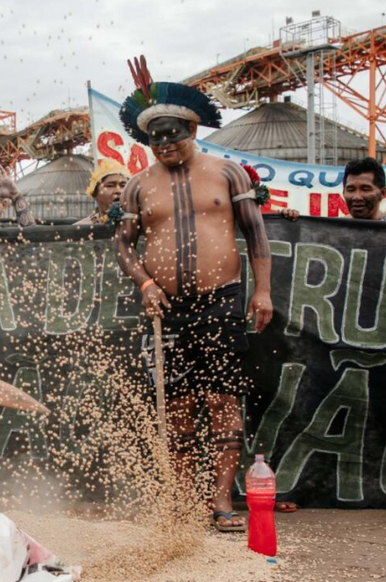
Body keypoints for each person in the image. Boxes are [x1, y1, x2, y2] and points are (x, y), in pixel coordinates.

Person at [114, 57, 274, 532]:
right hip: (167, 309)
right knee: (179, 403)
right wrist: (145, 283)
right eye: (155, 140)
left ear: (193, 129)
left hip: (222, 299)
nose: (164, 146)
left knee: (222, 400)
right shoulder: (137, 186)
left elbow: (256, 235)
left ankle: (222, 500)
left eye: (173, 136)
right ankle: (185, 502)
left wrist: (261, 290)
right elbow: (123, 245)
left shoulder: (229, 173)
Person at [76, 159, 130, 225]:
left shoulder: (140, 227)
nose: (119, 191)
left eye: (123, 185)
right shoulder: (81, 228)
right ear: (95, 194)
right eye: (110, 186)